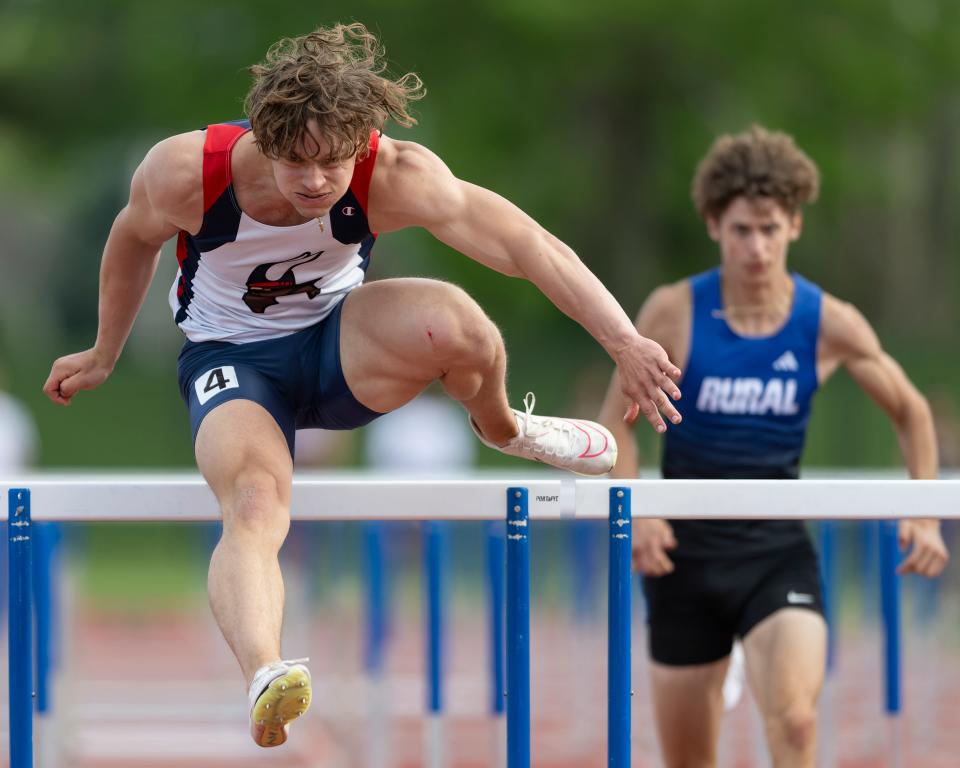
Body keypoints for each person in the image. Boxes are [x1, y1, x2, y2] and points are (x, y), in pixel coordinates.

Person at [42, 23, 683, 748]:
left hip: (340, 346)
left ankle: (507, 428)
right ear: (263, 138)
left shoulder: (395, 172)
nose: (316, 183)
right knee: (253, 503)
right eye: (296, 165)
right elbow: (133, 239)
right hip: (232, 359)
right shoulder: (188, 173)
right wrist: (103, 351)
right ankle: (265, 675)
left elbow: (525, 244)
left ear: (363, 142)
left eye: (334, 164)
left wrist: (624, 339)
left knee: (460, 324)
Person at [598, 125, 949, 768]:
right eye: (741, 230)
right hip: (684, 557)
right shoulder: (674, 312)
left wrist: (923, 509)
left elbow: (912, 410)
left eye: (769, 227)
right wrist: (638, 509)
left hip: (775, 552)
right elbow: (614, 423)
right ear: (713, 226)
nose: (756, 247)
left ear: (794, 225)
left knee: (793, 722)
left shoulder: (827, 322)